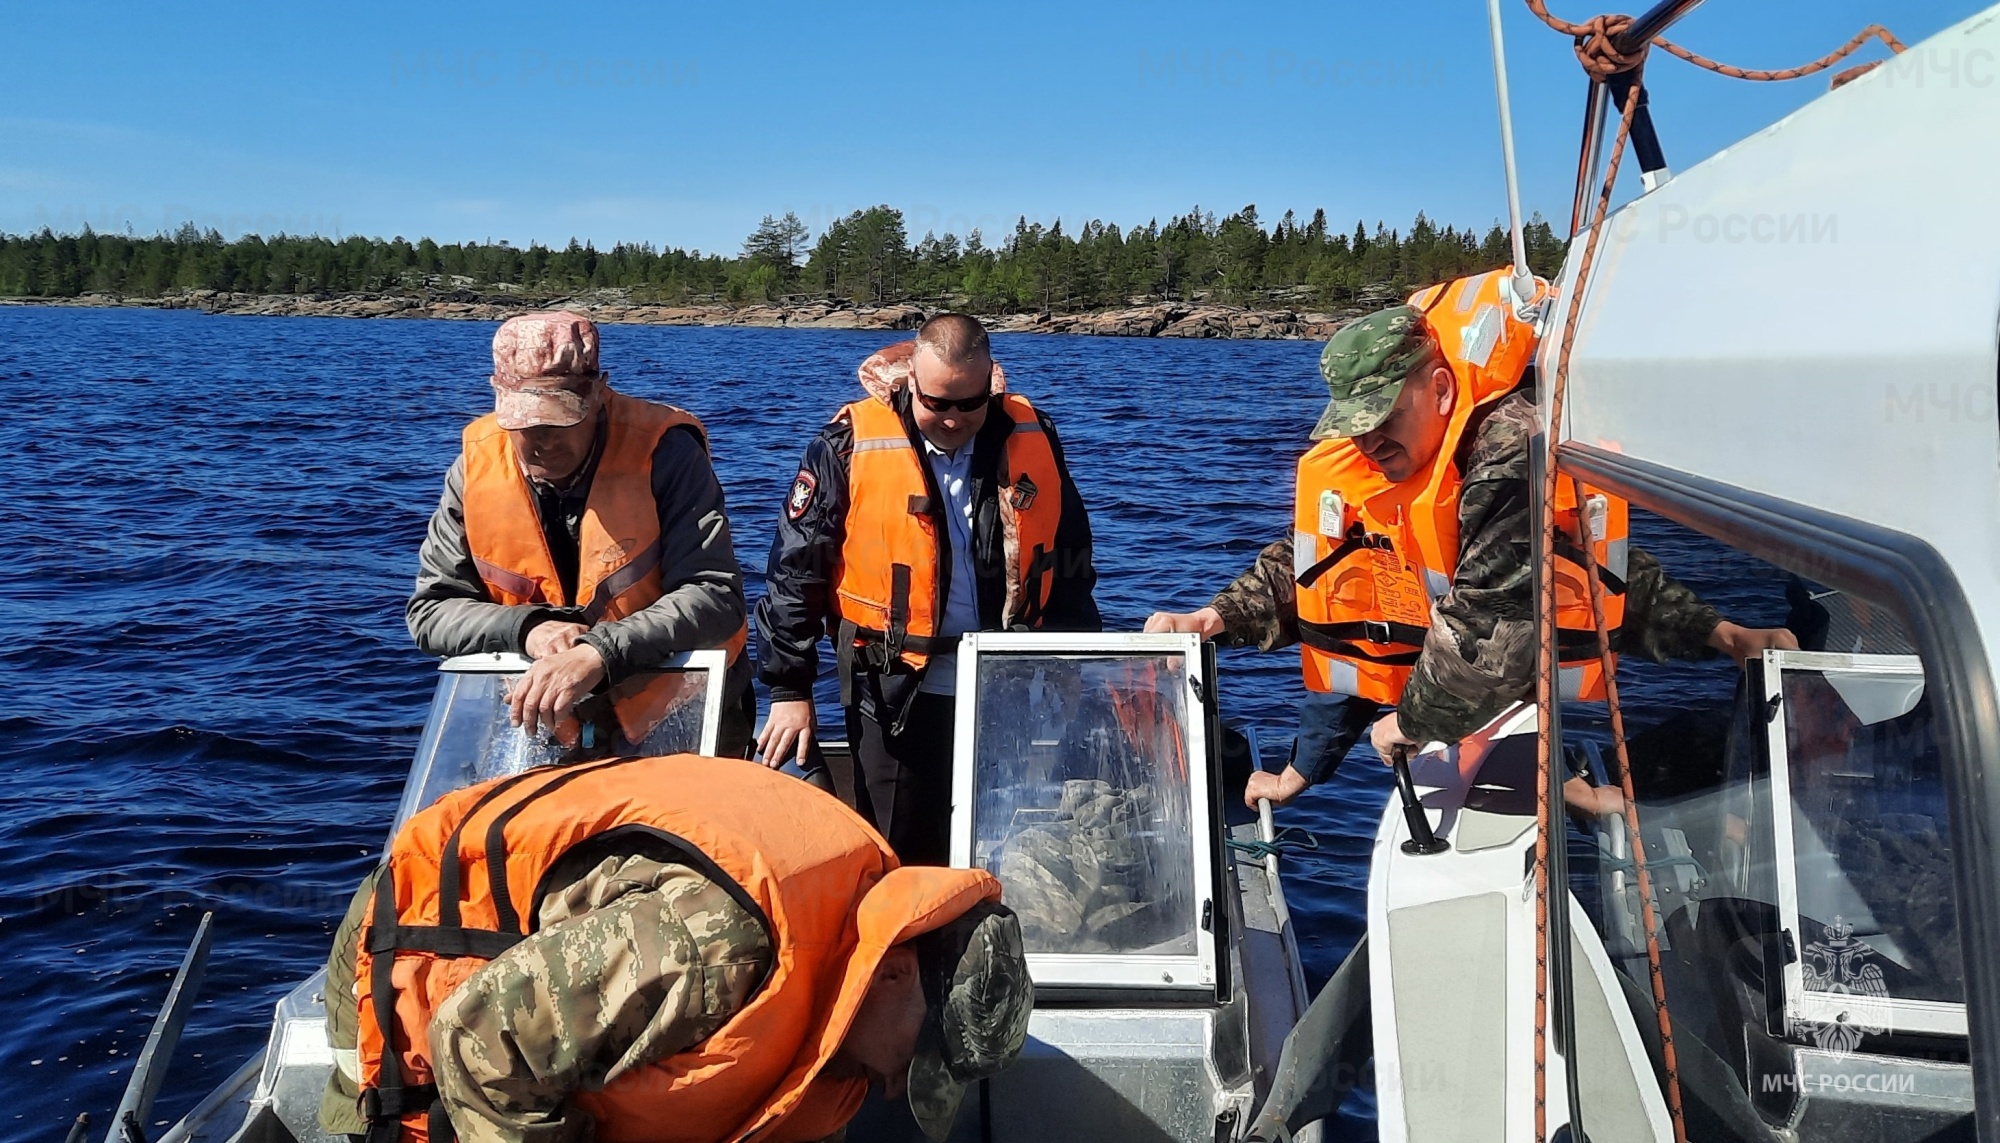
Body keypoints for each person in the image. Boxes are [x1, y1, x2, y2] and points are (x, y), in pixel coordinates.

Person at [1147, 274, 1797, 811]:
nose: (1368, 443)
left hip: (1505, 679)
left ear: (1440, 389)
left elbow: (1500, 619)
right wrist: (1217, 619)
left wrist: (1411, 722)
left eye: (1382, 420)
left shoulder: (1510, 451)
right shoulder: (1378, 464)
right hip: (1478, 693)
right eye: (1354, 428)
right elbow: (1338, 596)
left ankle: (1610, 756)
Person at [320, 753, 1033, 1143]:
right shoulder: (711, 944)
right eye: (914, 1060)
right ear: (896, 969)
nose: (887, 1088)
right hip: (418, 964)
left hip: (545, 1019)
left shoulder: (853, 947)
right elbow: (481, 1045)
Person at [754, 313, 1101, 864]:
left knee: (1004, 847)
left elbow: (1071, 558)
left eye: (969, 403)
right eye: (937, 403)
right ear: (910, 381)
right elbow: (795, 573)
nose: (953, 419)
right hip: (893, 689)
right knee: (898, 854)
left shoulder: (1034, 435)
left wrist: (1077, 659)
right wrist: (789, 690)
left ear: (990, 384)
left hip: (1007, 686)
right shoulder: (845, 443)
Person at [407, 311, 755, 755]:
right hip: (542, 723)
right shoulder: (474, 468)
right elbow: (432, 611)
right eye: (524, 424)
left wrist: (597, 653)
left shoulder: (666, 452)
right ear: (497, 394)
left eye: (559, 420)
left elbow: (715, 596)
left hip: (680, 711)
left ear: (597, 393)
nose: (542, 440)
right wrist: (527, 630)